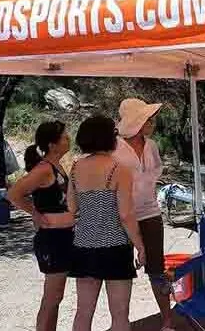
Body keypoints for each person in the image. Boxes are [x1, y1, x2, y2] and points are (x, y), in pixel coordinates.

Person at [68, 115, 146, 331]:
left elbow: (72, 208)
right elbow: (126, 214)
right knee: (120, 316)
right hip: (115, 247)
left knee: (83, 312)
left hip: (83, 246)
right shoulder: (119, 169)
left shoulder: (75, 168)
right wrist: (140, 246)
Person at [112, 98, 175, 331]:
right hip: (120, 214)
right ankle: (121, 322)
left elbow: (155, 172)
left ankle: (167, 320)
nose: (153, 123)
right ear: (138, 122)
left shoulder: (152, 146)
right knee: (121, 270)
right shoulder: (114, 148)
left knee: (156, 268)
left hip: (150, 211)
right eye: (149, 119)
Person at [7, 121, 74, 331]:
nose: (68, 139)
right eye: (64, 137)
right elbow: (14, 194)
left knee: (57, 296)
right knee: (52, 296)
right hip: (52, 239)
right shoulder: (44, 169)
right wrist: (34, 213)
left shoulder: (57, 166)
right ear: (53, 144)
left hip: (64, 236)